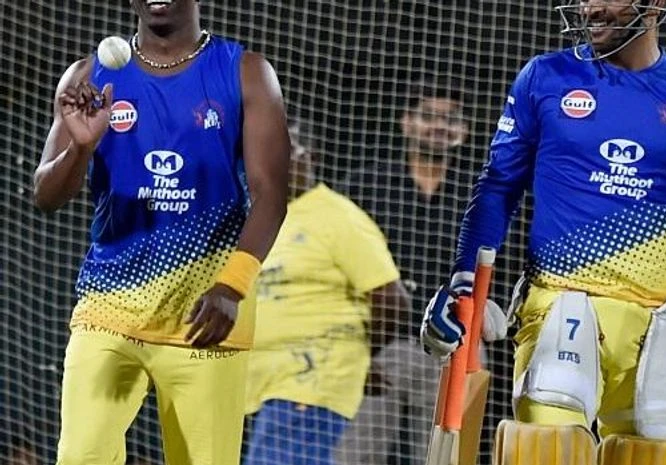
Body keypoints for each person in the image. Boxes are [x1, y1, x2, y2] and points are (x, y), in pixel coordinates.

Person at [419, 1, 666, 465]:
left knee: (652, 457)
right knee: (544, 451)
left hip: (664, 324)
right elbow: (497, 186)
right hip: (564, 304)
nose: (590, 6)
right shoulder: (545, 76)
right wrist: (465, 282)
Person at [32, 1, 290, 464]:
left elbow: (271, 195)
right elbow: (46, 196)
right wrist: (82, 148)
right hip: (108, 311)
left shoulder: (246, 72)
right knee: (79, 457)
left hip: (205, 318)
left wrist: (231, 286)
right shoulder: (87, 75)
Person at [337, 75, 501, 465]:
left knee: (448, 457)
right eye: (428, 116)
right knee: (354, 456)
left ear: (463, 132)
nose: (439, 126)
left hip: (455, 347)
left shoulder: (482, 194)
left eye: (451, 119)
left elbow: (500, 263)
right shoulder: (365, 185)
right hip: (378, 346)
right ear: (406, 122)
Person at [243, 118, 411, 465]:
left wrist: (354, 354)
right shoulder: (261, 217)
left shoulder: (337, 216)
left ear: (310, 158)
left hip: (309, 379)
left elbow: (393, 300)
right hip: (263, 383)